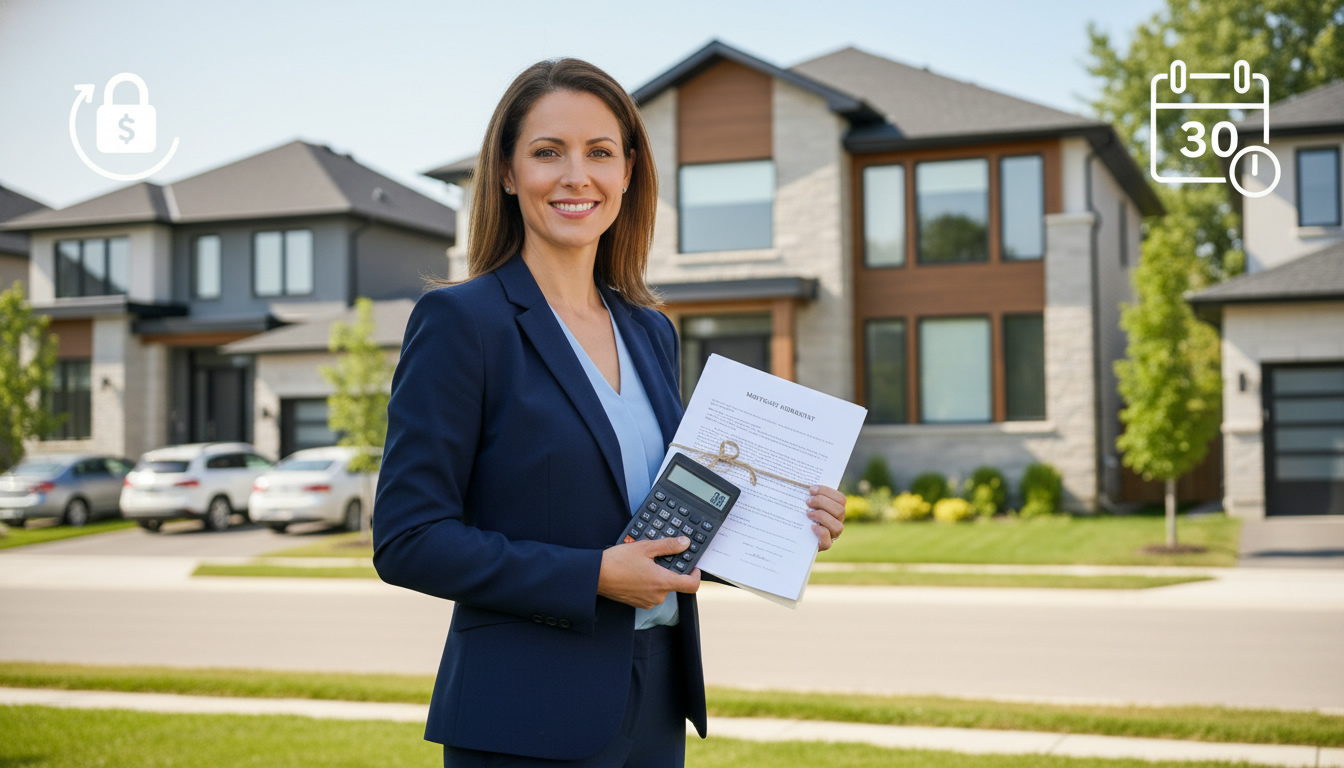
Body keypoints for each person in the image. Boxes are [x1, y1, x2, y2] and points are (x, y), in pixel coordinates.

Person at [372, 57, 848, 768]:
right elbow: (408, 538)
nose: (576, 176)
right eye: (547, 152)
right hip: (522, 717)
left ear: (628, 171)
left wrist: (789, 522)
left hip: (655, 700)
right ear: (506, 172)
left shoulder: (650, 331)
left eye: (599, 152)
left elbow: (663, 534)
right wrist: (591, 574)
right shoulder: (461, 322)